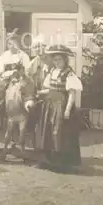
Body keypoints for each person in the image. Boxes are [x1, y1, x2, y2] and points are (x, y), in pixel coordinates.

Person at [35, 45, 83, 173]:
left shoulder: (69, 74)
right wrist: (39, 92)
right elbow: (50, 88)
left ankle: (62, 164)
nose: (57, 62)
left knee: (60, 133)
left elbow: (72, 93)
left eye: (59, 60)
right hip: (50, 105)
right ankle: (46, 161)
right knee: (47, 131)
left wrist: (67, 110)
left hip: (61, 105)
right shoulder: (52, 72)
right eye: (55, 60)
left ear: (65, 60)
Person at [0, 34, 30, 135]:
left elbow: (27, 71)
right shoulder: (4, 55)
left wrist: (18, 75)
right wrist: (6, 74)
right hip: (6, 78)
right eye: (9, 44)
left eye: (14, 44)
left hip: (18, 79)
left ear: (18, 44)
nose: (11, 46)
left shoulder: (23, 56)